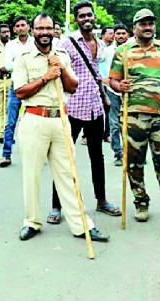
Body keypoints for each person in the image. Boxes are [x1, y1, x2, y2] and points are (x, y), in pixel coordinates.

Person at [15, 12, 108, 242]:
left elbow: (73, 87)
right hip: (34, 119)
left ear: (53, 30)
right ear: (33, 31)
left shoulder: (61, 54)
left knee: (68, 173)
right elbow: (20, 92)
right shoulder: (23, 56)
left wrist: (62, 69)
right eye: (40, 29)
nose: (44, 33)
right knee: (32, 175)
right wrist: (46, 77)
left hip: (60, 119)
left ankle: (81, 224)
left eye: (48, 29)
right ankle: (32, 222)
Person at [109, 8, 160, 222]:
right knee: (134, 163)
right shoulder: (123, 51)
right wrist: (120, 85)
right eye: (143, 24)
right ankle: (141, 202)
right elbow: (113, 80)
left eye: (150, 24)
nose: (148, 27)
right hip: (133, 116)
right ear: (134, 27)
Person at [47, 1, 120, 225]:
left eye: (89, 15)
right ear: (76, 20)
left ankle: (101, 200)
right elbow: (56, 68)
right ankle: (57, 206)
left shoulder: (99, 43)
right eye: (82, 16)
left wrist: (104, 94)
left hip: (94, 108)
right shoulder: (67, 43)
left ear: (94, 17)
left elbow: (96, 73)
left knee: (97, 157)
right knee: (65, 159)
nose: (86, 19)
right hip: (72, 108)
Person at [0, 16, 34, 167]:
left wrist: (18, 62)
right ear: (14, 29)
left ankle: (36, 154)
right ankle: (6, 154)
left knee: (35, 121)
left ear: (28, 27)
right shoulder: (11, 45)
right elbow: (7, 65)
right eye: (18, 26)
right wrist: (26, 62)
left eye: (23, 25)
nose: (20, 28)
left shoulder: (35, 41)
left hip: (33, 85)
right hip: (16, 86)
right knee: (11, 121)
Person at [99, 24, 129, 167]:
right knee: (114, 124)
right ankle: (118, 153)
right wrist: (103, 78)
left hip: (130, 92)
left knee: (130, 124)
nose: (121, 36)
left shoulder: (133, 49)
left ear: (127, 35)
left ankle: (132, 153)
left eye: (123, 33)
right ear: (114, 36)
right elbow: (95, 65)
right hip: (112, 91)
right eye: (118, 34)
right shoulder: (107, 51)